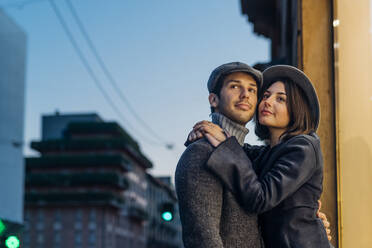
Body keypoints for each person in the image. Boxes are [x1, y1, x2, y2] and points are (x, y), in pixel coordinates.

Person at [192, 65, 332, 247]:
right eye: (266, 96)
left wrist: (224, 143)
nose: (267, 102)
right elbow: (240, 151)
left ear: (297, 108)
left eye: (280, 99)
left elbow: (261, 198)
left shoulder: (303, 147)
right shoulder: (267, 153)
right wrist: (210, 133)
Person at [175, 62, 265, 248]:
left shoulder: (249, 156)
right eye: (235, 86)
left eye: (252, 89)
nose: (245, 94)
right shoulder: (201, 152)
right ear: (213, 100)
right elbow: (202, 239)